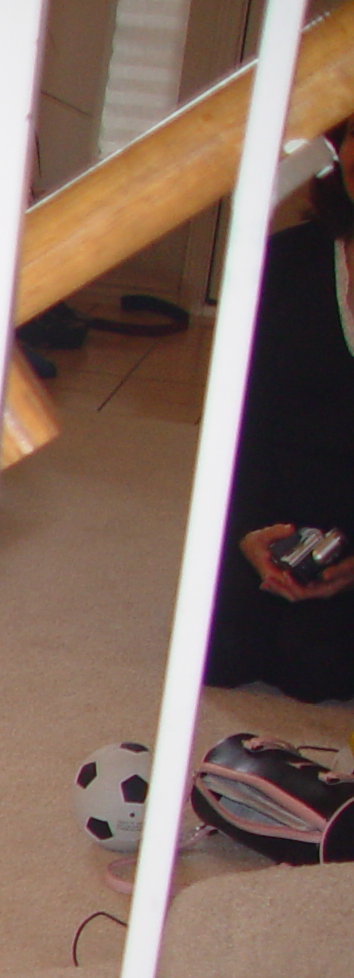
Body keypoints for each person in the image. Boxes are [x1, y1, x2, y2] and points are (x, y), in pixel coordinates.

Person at [211, 125, 354, 701]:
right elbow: (243, 421)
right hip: (289, 513)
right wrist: (252, 531)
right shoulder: (285, 263)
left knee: (316, 668)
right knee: (223, 652)